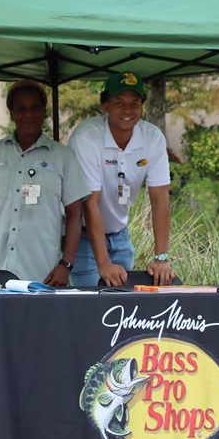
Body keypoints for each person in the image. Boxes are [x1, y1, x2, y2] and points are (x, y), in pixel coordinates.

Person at [0, 80, 90, 285]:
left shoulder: (63, 156)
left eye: (35, 107)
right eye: (21, 108)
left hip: (44, 275)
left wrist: (66, 265)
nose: (28, 114)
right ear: (12, 112)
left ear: (44, 111)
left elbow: (75, 215)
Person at [68, 72, 174, 286]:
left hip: (120, 235)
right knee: (93, 306)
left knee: (122, 310)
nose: (128, 110)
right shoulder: (86, 138)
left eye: (134, 103)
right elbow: (90, 203)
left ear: (142, 106)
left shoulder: (152, 138)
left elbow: (160, 200)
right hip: (84, 238)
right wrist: (104, 263)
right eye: (119, 103)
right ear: (106, 106)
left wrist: (161, 258)